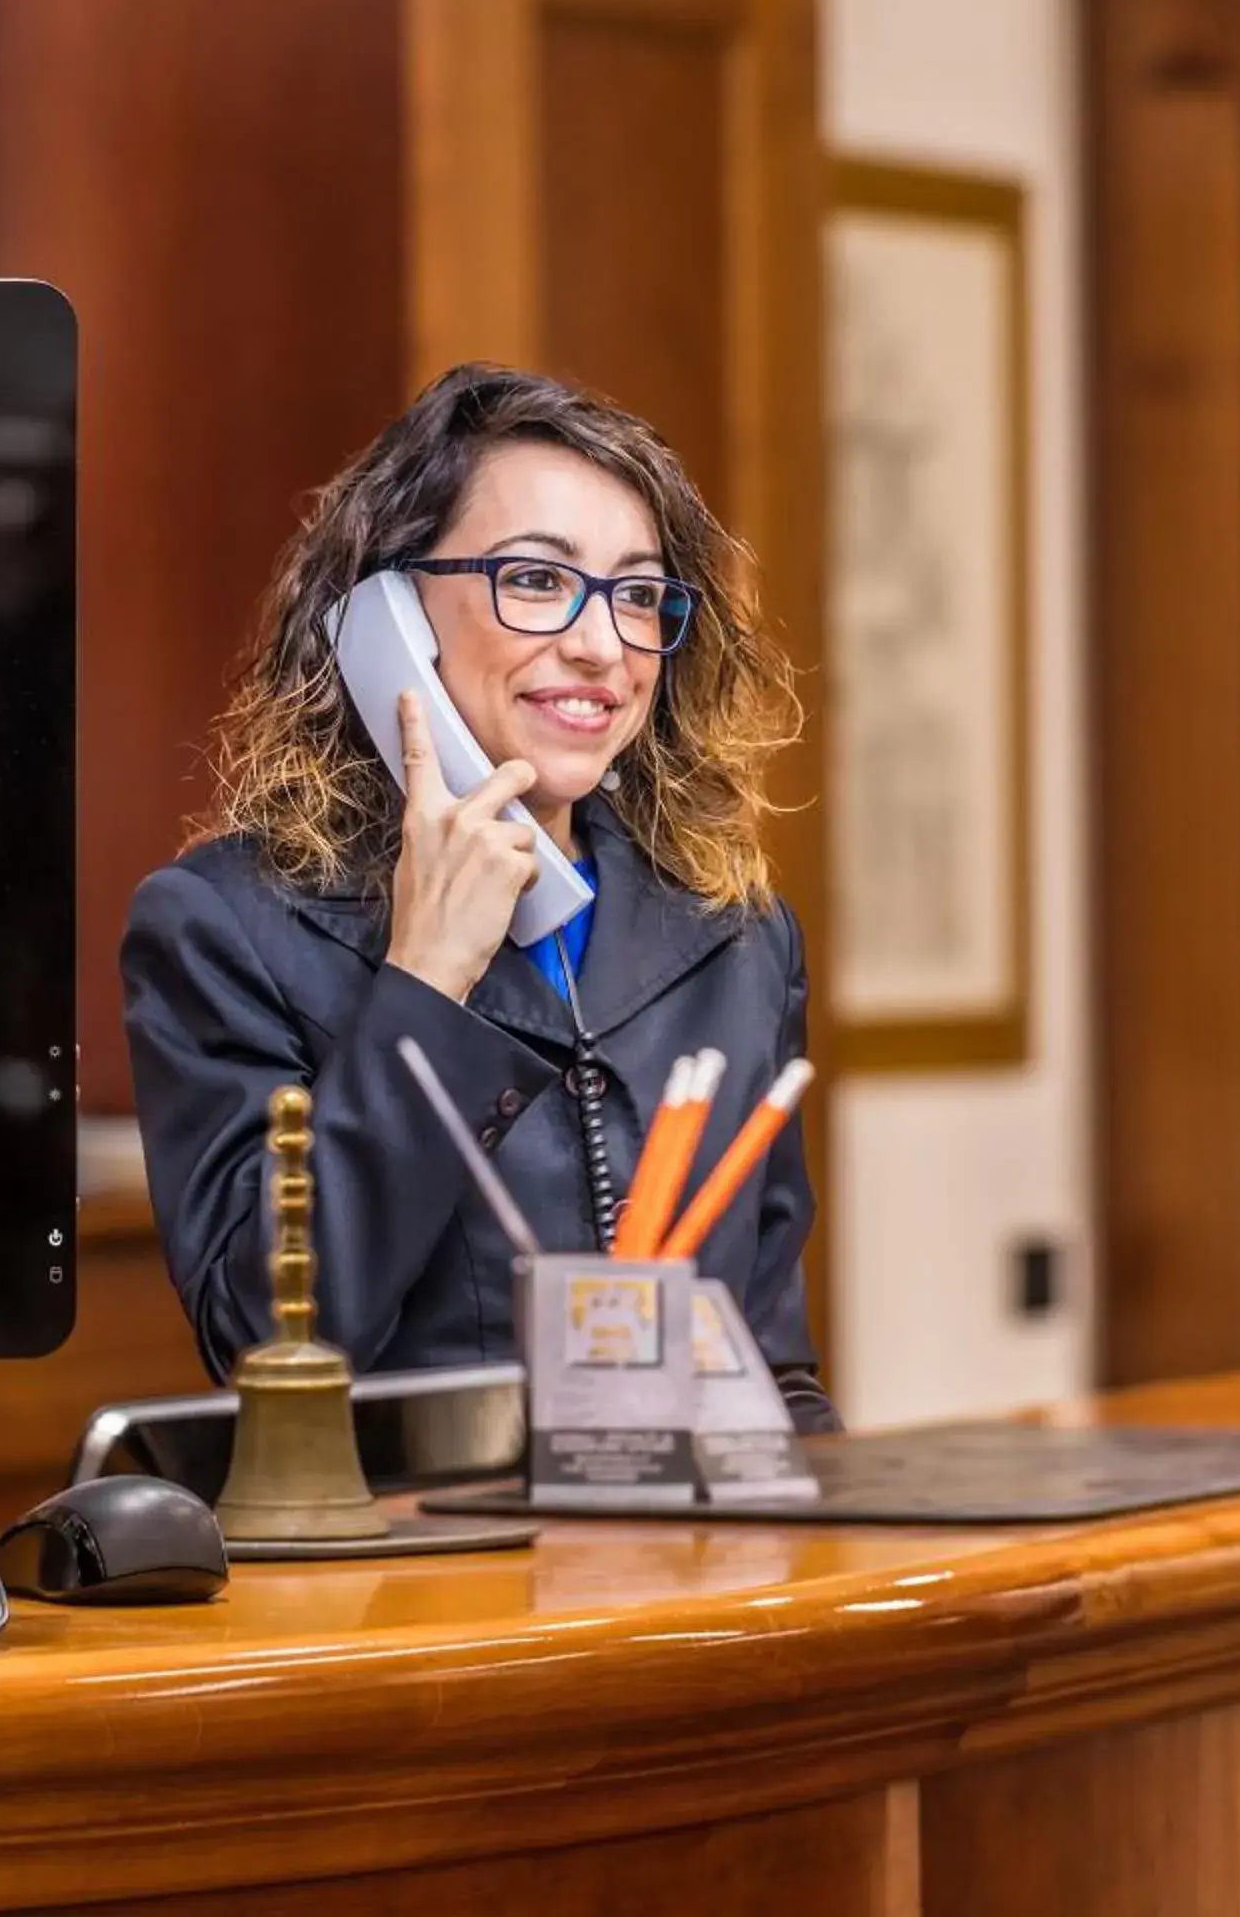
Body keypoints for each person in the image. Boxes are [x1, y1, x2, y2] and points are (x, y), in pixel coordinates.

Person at [120, 364, 836, 1430]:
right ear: (387, 616)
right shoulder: (227, 928)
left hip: (696, 1571)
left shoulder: (736, 935)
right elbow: (265, 1343)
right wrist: (425, 983)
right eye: (538, 580)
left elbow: (774, 1372)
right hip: (418, 1579)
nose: (603, 646)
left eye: (639, 594)